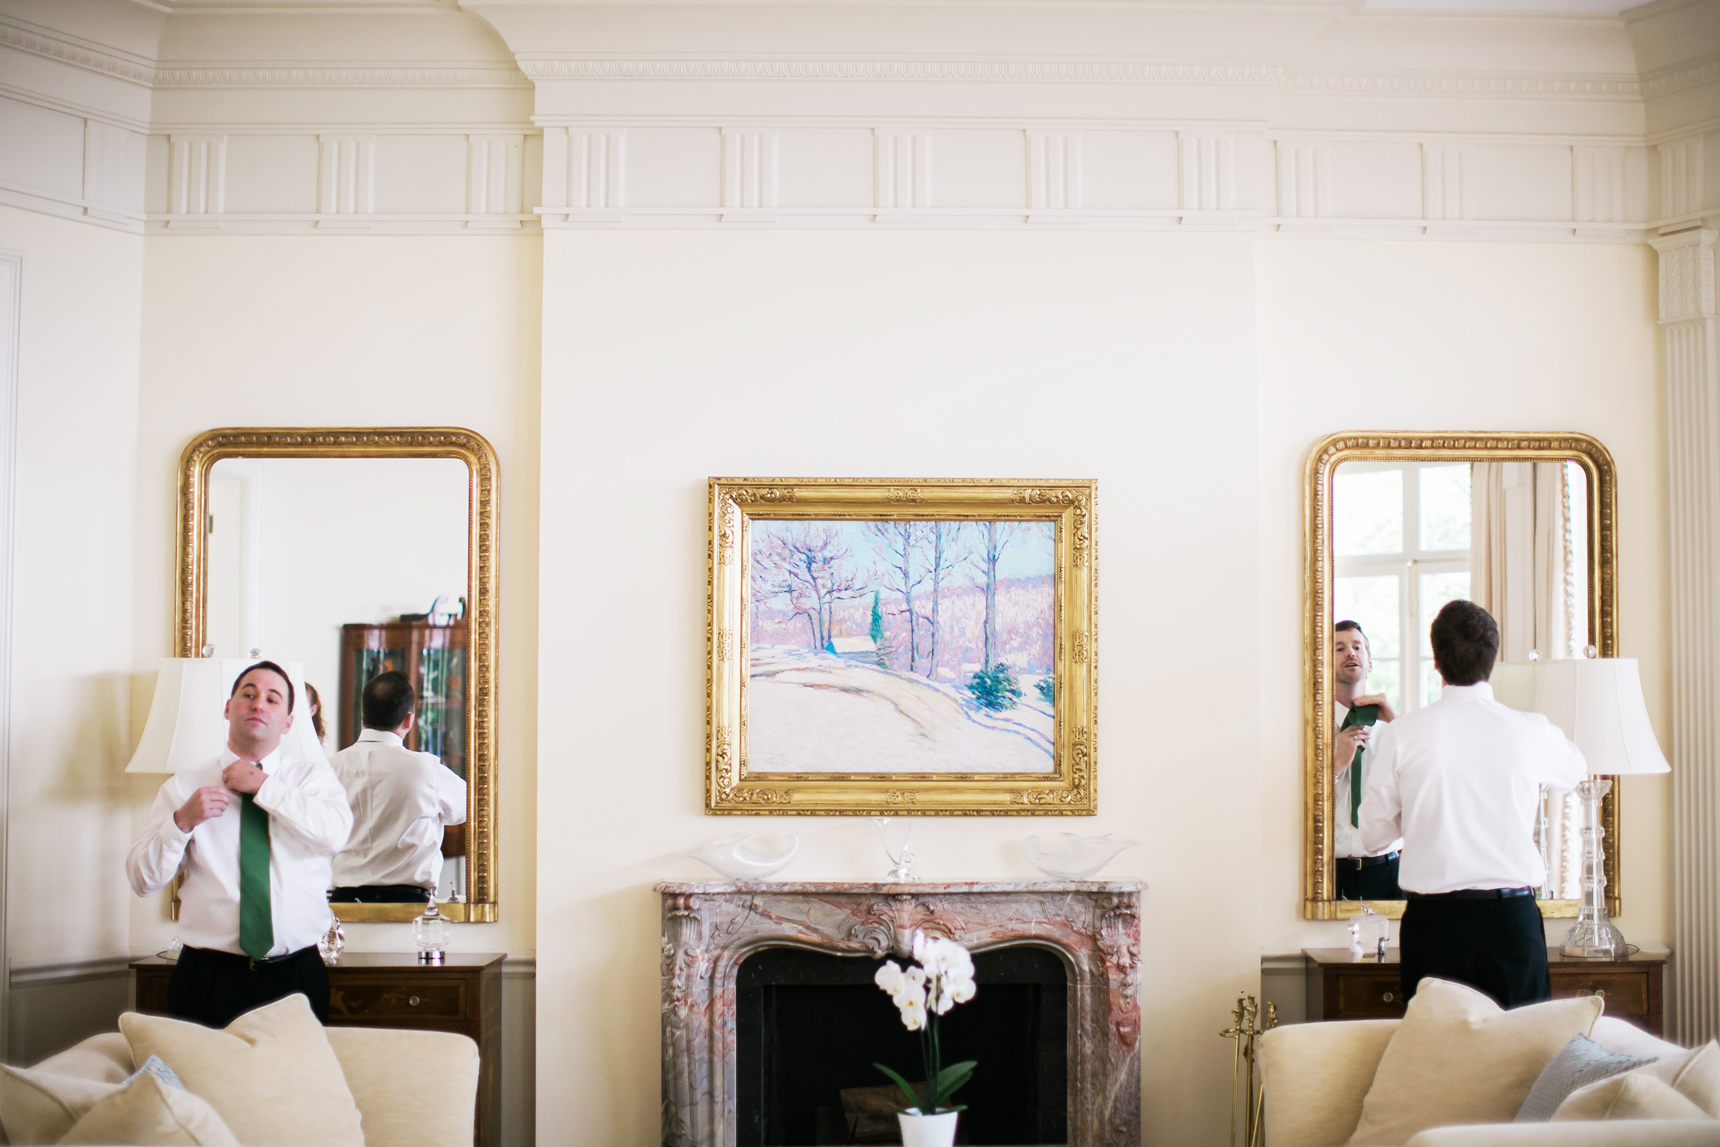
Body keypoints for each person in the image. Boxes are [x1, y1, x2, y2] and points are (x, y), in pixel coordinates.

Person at [1360, 600, 1585, 1008]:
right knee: (1522, 1060)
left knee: (1440, 1061)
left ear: (1436, 660)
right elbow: (1574, 773)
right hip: (1511, 922)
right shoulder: (1530, 731)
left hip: (1434, 927)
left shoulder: (1402, 735)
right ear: (1492, 658)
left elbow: (1374, 836)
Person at [126, 661, 353, 1026]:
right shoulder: (184, 788)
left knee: (294, 1083)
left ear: (289, 722)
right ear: (229, 708)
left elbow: (335, 835)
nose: (258, 704)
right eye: (248, 694)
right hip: (208, 977)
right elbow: (142, 880)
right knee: (201, 1082)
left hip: (296, 976)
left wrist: (264, 787)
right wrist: (181, 822)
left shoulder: (313, 780)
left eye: (272, 698)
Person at [327, 671, 467, 904]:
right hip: (408, 905)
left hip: (344, 904)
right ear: (409, 719)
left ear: (363, 710)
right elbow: (468, 809)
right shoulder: (426, 768)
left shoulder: (329, 767)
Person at [1332, 621, 1403, 900]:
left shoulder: (1394, 729)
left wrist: (1398, 725)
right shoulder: (1308, 735)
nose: (1350, 652)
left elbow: (1426, 782)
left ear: (1369, 663)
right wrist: (1334, 766)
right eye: (1340, 648)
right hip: (1329, 874)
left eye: (1357, 646)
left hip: (1388, 871)